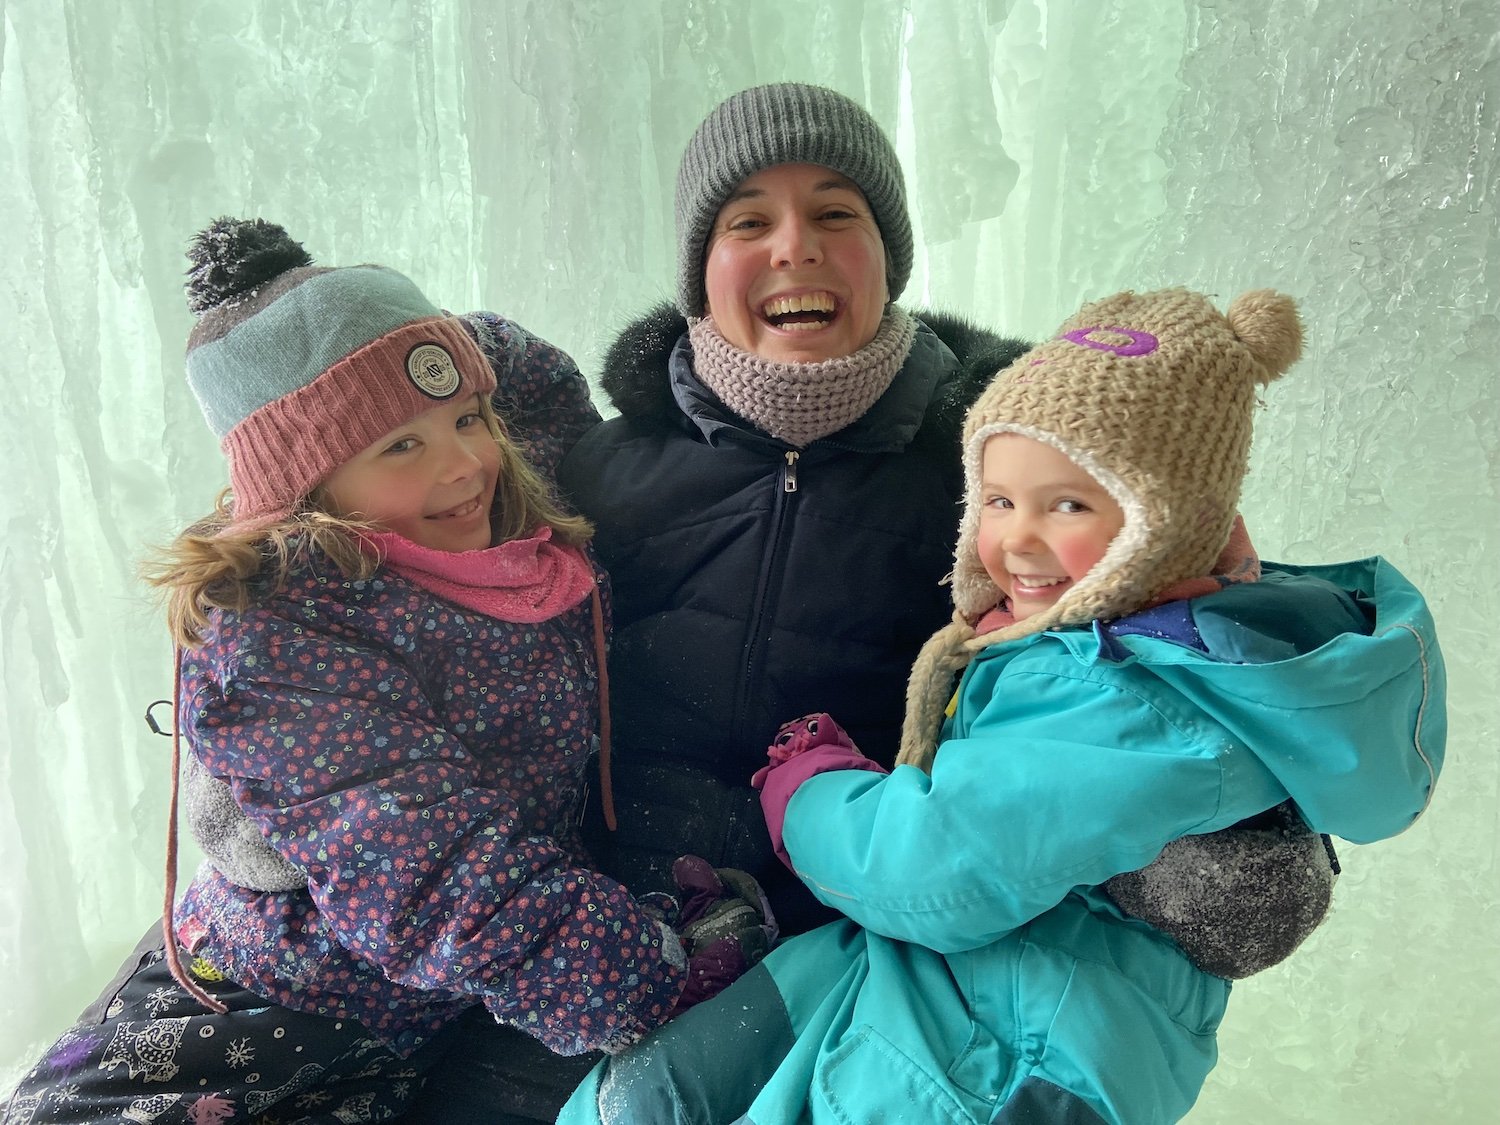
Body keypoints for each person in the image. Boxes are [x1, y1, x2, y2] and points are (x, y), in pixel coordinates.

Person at [556, 286, 1447, 1125]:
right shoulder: (1122, 641)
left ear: (1173, 522)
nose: (1018, 536)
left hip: (1018, 1051)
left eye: (1070, 503)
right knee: (637, 1097)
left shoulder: (1132, 695)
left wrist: (807, 785)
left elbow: (931, 868)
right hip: (955, 982)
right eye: (999, 498)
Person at [2, 218, 772, 1125]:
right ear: (308, 489)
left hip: (429, 998)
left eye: (467, 419)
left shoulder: (497, 514)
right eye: (400, 446)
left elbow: (496, 388)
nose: (464, 465)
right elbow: (435, 877)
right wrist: (645, 982)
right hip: (279, 1007)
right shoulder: (281, 635)